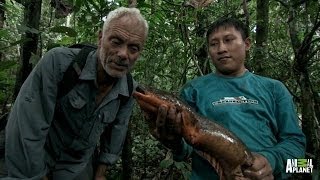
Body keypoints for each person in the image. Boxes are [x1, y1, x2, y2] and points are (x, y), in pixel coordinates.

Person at [3, 7, 148, 180]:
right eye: (116, 42)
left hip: (75, 169)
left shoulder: (129, 89)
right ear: (101, 38)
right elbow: (27, 130)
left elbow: (116, 136)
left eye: (133, 48)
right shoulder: (59, 63)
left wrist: (100, 174)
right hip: (31, 160)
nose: (124, 54)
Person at [155, 17, 306, 179]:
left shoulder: (275, 89)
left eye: (228, 40)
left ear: (247, 44)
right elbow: (185, 152)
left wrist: (271, 161)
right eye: (214, 44)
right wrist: (173, 141)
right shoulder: (193, 90)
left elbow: (298, 149)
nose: (221, 49)